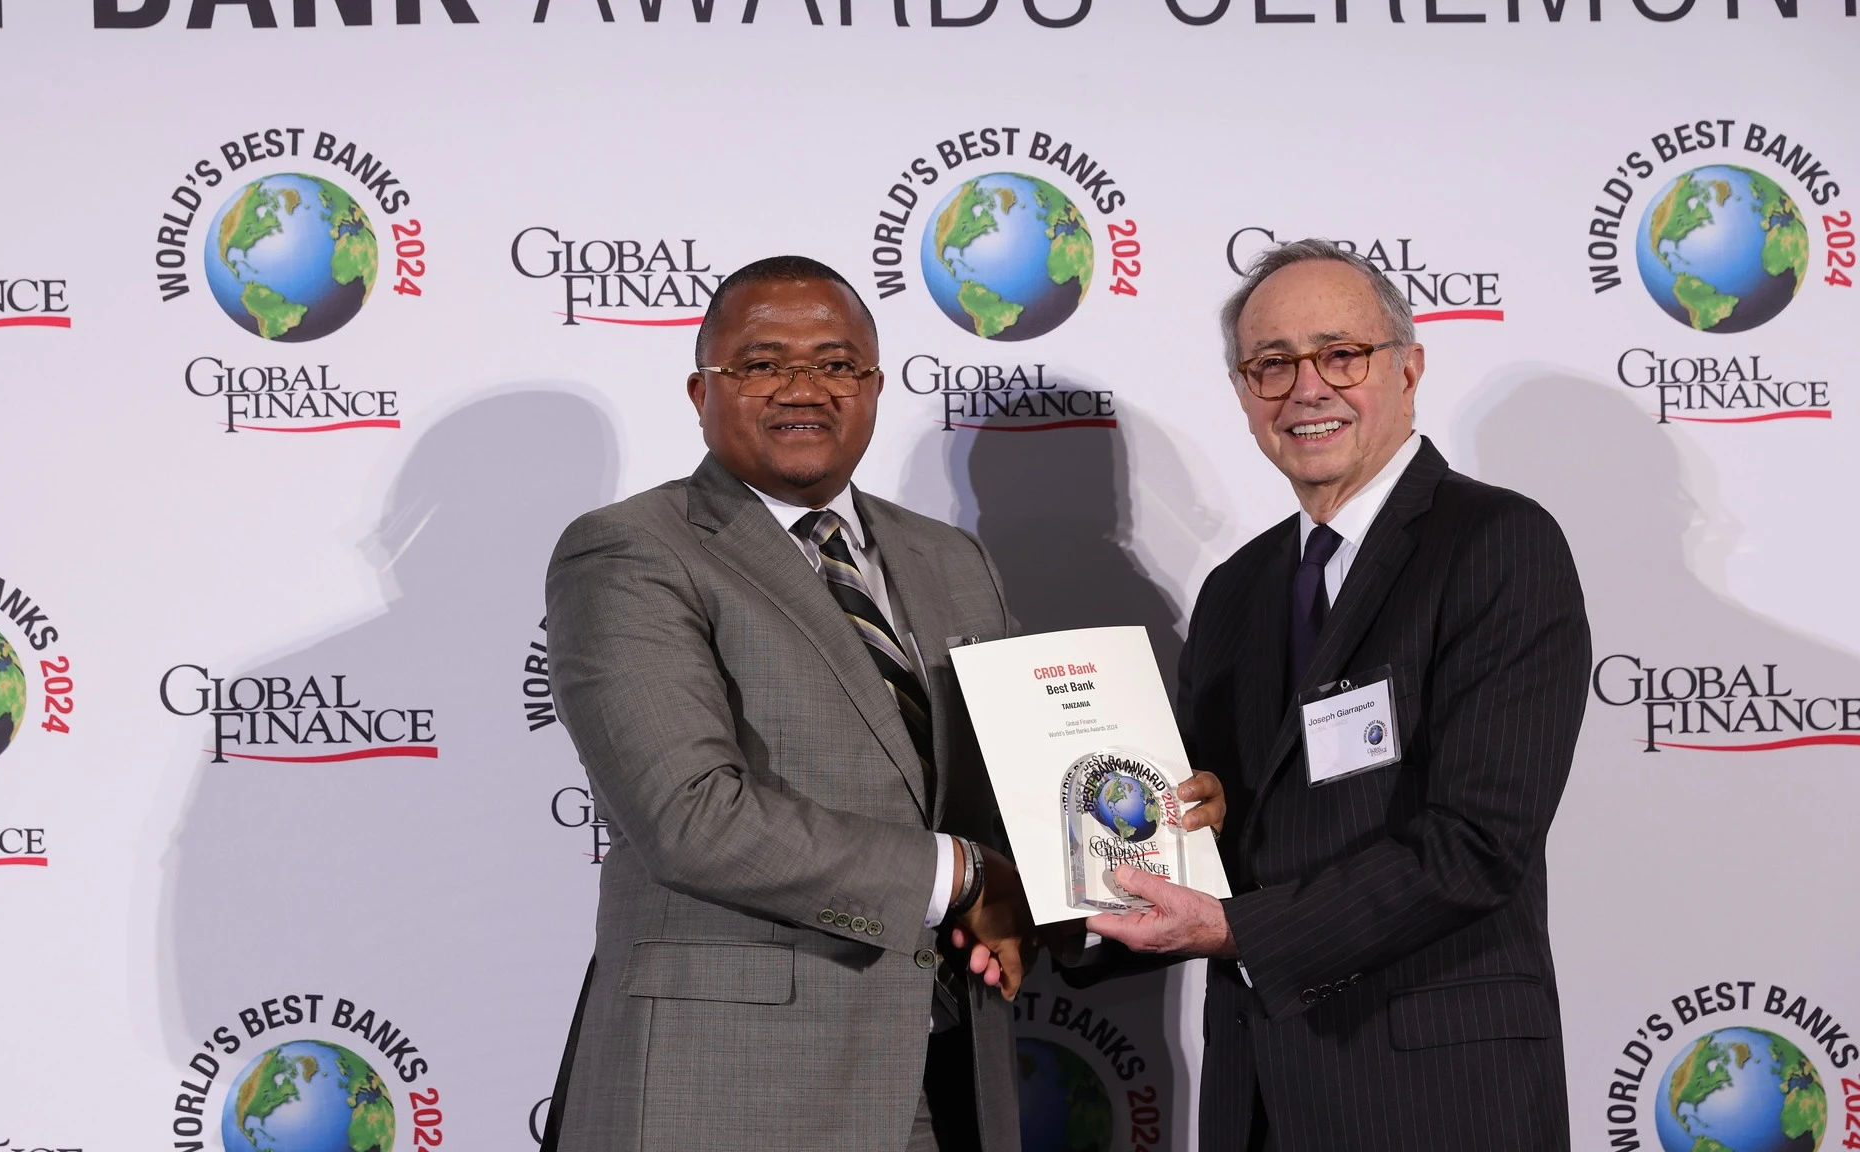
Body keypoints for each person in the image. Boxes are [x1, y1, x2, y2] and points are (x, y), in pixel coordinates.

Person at [543, 256, 1228, 1151]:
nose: (803, 388)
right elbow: (692, 819)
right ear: (700, 390)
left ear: (872, 386)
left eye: (836, 364)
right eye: (761, 363)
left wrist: (1134, 828)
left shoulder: (951, 561)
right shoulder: (631, 552)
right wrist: (968, 879)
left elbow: (1012, 793)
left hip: (951, 1070)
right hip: (730, 1087)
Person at [1082, 240, 1590, 1151]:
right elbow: (1209, 816)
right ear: (1244, 396)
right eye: (1271, 365)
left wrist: (1242, 932)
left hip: (1437, 1097)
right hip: (1258, 1094)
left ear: (1407, 368)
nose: (1305, 389)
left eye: (1339, 355)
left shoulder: (1498, 544)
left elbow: (1477, 844)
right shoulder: (1238, 588)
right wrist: (1083, 875)